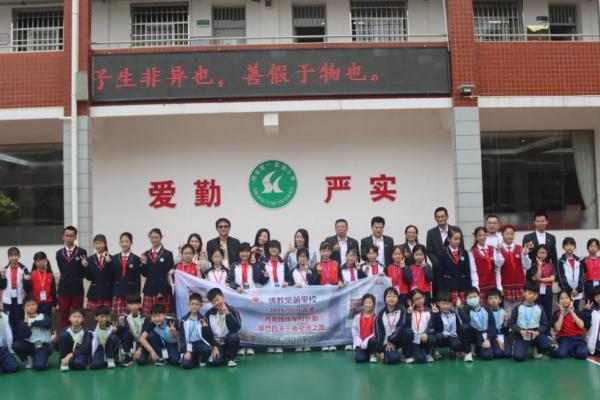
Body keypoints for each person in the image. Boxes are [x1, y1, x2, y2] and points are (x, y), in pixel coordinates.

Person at [509, 282, 554, 362]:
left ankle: (535, 347)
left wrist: (538, 332)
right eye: (529, 293)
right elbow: (511, 323)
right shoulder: (517, 307)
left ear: (537, 295)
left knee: (548, 345)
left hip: (535, 334)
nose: (532, 296)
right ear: (524, 293)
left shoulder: (540, 308)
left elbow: (544, 324)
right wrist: (520, 330)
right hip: (522, 334)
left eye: (535, 294)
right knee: (518, 357)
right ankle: (517, 345)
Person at [494, 224, 533, 314]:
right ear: (502, 235)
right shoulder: (498, 249)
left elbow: (527, 266)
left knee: (519, 311)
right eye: (507, 234)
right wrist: (499, 286)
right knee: (507, 311)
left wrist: (525, 255)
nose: (510, 236)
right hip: (505, 285)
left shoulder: (520, 248)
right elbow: (498, 265)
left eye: (512, 234)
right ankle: (508, 323)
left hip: (519, 284)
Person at [56, 226, 88, 327]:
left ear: (75, 237)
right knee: (64, 315)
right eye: (67, 235)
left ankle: (78, 335)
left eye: (71, 236)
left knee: (78, 315)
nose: (69, 238)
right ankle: (65, 334)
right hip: (63, 288)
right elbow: (62, 269)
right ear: (63, 237)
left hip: (77, 288)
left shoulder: (82, 252)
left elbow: (84, 272)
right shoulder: (59, 253)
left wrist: (85, 266)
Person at [13, 295, 54, 370]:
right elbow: (26, 335)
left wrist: (33, 323)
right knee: (15, 345)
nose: (31, 307)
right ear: (24, 308)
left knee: (39, 366)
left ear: (37, 305)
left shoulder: (43, 316)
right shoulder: (23, 321)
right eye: (28, 305)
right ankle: (29, 357)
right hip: (30, 344)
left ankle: (43, 357)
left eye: (33, 304)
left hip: (41, 344)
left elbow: (48, 323)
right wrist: (26, 321)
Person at [140, 228, 175, 316]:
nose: (154, 240)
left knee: (163, 317)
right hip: (149, 290)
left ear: (161, 237)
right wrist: (143, 264)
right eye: (152, 237)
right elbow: (144, 274)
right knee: (148, 317)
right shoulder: (146, 254)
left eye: (156, 237)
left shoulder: (167, 254)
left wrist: (162, 291)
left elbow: (169, 275)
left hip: (163, 291)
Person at [204, 288, 241, 367]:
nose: (217, 303)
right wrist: (214, 346)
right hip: (217, 343)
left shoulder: (233, 310)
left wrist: (228, 314)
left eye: (218, 299)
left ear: (223, 297)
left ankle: (231, 357)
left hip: (228, 340)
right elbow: (207, 333)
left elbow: (236, 328)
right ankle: (223, 355)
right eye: (213, 302)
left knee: (234, 336)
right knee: (215, 362)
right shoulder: (208, 314)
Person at [459, 287, 495, 362]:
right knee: (464, 327)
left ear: (479, 297)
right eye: (470, 297)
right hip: (474, 334)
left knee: (487, 356)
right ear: (466, 300)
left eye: (474, 296)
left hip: (485, 336)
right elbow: (466, 322)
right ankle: (468, 353)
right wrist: (459, 309)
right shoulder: (465, 311)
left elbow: (492, 326)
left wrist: (488, 339)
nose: (473, 299)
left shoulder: (487, 309)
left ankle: (477, 348)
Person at [436, 228, 470, 304]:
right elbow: (439, 273)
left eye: (459, 239)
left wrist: (469, 287)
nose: (457, 241)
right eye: (455, 239)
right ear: (449, 239)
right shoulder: (443, 253)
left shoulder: (464, 252)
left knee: (462, 307)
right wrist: (441, 290)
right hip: (448, 287)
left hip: (462, 286)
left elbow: (467, 271)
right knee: (450, 307)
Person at [110, 232, 142, 316]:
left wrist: (137, 295)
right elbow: (111, 277)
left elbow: (137, 278)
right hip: (117, 292)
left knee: (131, 316)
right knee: (118, 317)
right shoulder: (113, 258)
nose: (124, 244)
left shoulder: (136, 259)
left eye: (127, 241)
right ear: (119, 243)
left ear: (131, 243)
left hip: (131, 292)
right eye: (122, 241)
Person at [375, 287, 409, 364]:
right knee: (394, 359)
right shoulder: (380, 314)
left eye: (394, 296)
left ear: (397, 298)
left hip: (396, 339)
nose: (391, 298)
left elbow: (401, 326)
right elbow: (378, 333)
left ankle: (406, 354)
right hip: (386, 343)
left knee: (408, 332)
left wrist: (390, 340)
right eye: (389, 296)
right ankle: (389, 354)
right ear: (385, 298)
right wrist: (380, 350)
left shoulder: (402, 308)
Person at [550, 291, 588, 360]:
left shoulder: (577, 312)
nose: (564, 300)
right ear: (558, 301)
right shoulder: (556, 314)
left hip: (578, 339)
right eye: (561, 298)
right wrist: (561, 313)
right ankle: (560, 349)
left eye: (566, 298)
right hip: (565, 339)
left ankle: (569, 351)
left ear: (570, 300)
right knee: (560, 354)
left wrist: (571, 312)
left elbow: (581, 325)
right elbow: (558, 328)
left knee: (583, 354)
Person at [1, 247, 31, 334]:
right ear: (8, 257)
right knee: (9, 321)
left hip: (20, 299)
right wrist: (2, 277)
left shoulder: (24, 269)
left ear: (19, 256)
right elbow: (2, 286)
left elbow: (28, 288)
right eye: (11, 255)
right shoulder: (4, 269)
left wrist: (27, 280)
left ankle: (20, 339)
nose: (13, 257)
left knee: (19, 319)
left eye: (15, 255)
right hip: (8, 299)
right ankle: (11, 340)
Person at [178, 293, 212, 369]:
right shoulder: (183, 320)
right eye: (192, 304)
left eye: (197, 304)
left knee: (206, 349)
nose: (194, 306)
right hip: (189, 345)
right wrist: (186, 351)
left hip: (200, 343)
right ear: (188, 305)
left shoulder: (203, 319)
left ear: (201, 306)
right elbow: (181, 337)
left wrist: (205, 328)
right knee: (186, 365)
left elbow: (208, 336)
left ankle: (203, 360)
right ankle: (194, 358)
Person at [430, 291, 465, 359]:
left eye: (448, 303)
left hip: (451, 336)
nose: (446, 306)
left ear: (451, 304)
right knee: (439, 336)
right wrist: (435, 315)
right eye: (443, 304)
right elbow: (435, 327)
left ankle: (453, 349)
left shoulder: (454, 314)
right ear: (438, 303)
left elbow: (459, 326)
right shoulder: (436, 313)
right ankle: (436, 350)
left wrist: (459, 308)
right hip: (441, 336)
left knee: (457, 345)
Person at [404, 289, 435, 364]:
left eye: (420, 298)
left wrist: (426, 333)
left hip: (424, 337)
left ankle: (427, 353)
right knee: (421, 359)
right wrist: (408, 314)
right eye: (415, 299)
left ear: (424, 297)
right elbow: (406, 326)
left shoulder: (429, 311)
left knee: (431, 338)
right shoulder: (410, 311)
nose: (418, 301)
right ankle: (409, 353)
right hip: (414, 340)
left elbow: (432, 325)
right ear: (411, 301)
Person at [526, 244, 556, 322]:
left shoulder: (550, 264)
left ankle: (547, 327)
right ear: (536, 253)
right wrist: (539, 265)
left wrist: (540, 279)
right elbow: (536, 276)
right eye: (540, 252)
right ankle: (537, 326)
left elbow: (552, 278)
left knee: (548, 309)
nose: (542, 255)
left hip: (548, 289)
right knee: (537, 308)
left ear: (547, 254)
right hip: (536, 289)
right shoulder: (533, 264)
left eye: (544, 253)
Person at [84, 234, 113, 312]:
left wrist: (109, 263)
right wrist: (86, 267)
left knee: (106, 315)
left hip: (107, 293)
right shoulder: (89, 259)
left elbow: (113, 276)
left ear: (105, 244)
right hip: (94, 293)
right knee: (93, 316)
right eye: (96, 243)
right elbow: (88, 278)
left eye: (100, 243)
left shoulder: (112, 258)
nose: (98, 246)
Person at [116, 294, 146, 367]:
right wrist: (121, 325)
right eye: (131, 304)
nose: (134, 306)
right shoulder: (123, 316)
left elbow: (145, 333)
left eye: (136, 303)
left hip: (141, 341)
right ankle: (128, 355)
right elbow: (120, 332)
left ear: (140, 304)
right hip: (129, 339)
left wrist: (140, 348)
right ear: (127, 305)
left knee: (141, 361)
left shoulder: (144, 317)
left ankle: (142, 351)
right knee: (126, 333)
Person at [469, 226, 498, 302]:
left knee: (493, 306)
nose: (482, 237)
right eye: (479, 235)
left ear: (486, 235)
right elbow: (473, 271)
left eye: (484, 235)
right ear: (476, 237)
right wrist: (476, 287)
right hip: (481, 285)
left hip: (493, 284)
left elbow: (498, 266)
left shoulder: (493, 249)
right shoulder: (472, 252)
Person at [557, 237, 584, 310]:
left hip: (577, 291)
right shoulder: (560, 261)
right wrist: (569, 290)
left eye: (571, 245)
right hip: (566, 292)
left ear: (574, 247)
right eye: (567, 245)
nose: (569, 247)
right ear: (563, 247)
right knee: (565, 310)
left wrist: (577, 289)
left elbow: (581, 276)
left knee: (576, 309)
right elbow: (560, 277)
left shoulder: (579, 261)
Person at [89, 305, 119, 369]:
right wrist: (91, 358)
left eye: (106, 316)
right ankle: (104, 359)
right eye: (102, 316)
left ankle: (110, 358)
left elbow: (118, 339)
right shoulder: (92, 330)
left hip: (110, 348)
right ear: (96, 318)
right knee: (95, 366)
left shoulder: (112, 326)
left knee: (113, 337)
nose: (104, 319)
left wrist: (116, 331)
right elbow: (92, 345)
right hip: (99, 349)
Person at [27, 252, 57, 317]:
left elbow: (53, 290)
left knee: (46, 321)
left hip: (48, 304)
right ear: (35, 262)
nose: (40, 262)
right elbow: (28, 290)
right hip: (35, 304)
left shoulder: (50, 274)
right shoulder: (31, 274)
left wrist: (54, 304)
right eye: (37, 261)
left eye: (41, 260)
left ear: (46, 261)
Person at [352, 293, 378, 363]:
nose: (367, 305)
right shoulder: (357, 317)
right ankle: (365, 353)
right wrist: (359, 341)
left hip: (370, 342)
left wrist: (366, 340)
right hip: (360, 342)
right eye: (366, 303)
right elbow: (354, 331)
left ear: (373, 304)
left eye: (370, 303)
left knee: (373, 340)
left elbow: (375, 332)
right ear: (363, 304)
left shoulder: (376, 318)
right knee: (359, 359)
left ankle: (372, 354)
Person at [486, 288, 511, 359]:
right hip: (493, 336)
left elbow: (506, 329)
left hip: (504, 335)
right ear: (487, 301)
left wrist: (506, 320)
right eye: (491, 298)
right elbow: (489, 330)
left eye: (496, 298)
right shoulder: (486, 312)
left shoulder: (504, 311)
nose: (493, 300)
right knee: (498, 354)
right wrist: (499, 341)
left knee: (507, 354)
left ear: (500, 300)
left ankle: (510, 346)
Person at [0, 308, 20, 373]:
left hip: (3, 349)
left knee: (14, 367)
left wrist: (9, 348)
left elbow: (9, 334)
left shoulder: (4, 316)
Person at [581, 238, 600, 303]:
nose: (593, 248)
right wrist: (582, 289)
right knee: (589, 301)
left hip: (599, 281)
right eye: (591, 246)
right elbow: (582, 275)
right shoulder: (584, 260)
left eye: (595, 246)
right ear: (587, 248)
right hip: (589, 283)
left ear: (598, 248)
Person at [583, 286, 600, 356]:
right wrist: (586, 311)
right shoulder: (591, 309)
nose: (599, 298)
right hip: (594, 340)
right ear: (593, 298)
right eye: (597, 297)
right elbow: (585, 324)